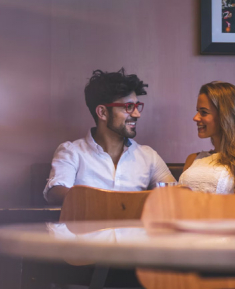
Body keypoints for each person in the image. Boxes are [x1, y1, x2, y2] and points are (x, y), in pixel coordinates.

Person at [44, 68, 175, 204]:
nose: (137, 114)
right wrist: (114, 204)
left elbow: (175, 193)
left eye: (137, 106)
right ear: (102, 112)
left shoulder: (148, 156)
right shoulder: (72, 152)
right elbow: (56, 192)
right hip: (87, 226)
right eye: (129, 107)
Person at [179, 82, 235, 194]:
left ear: (225, 116)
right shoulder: (192, 159)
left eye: (204, 112)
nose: (195, 118)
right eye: (197, 111)